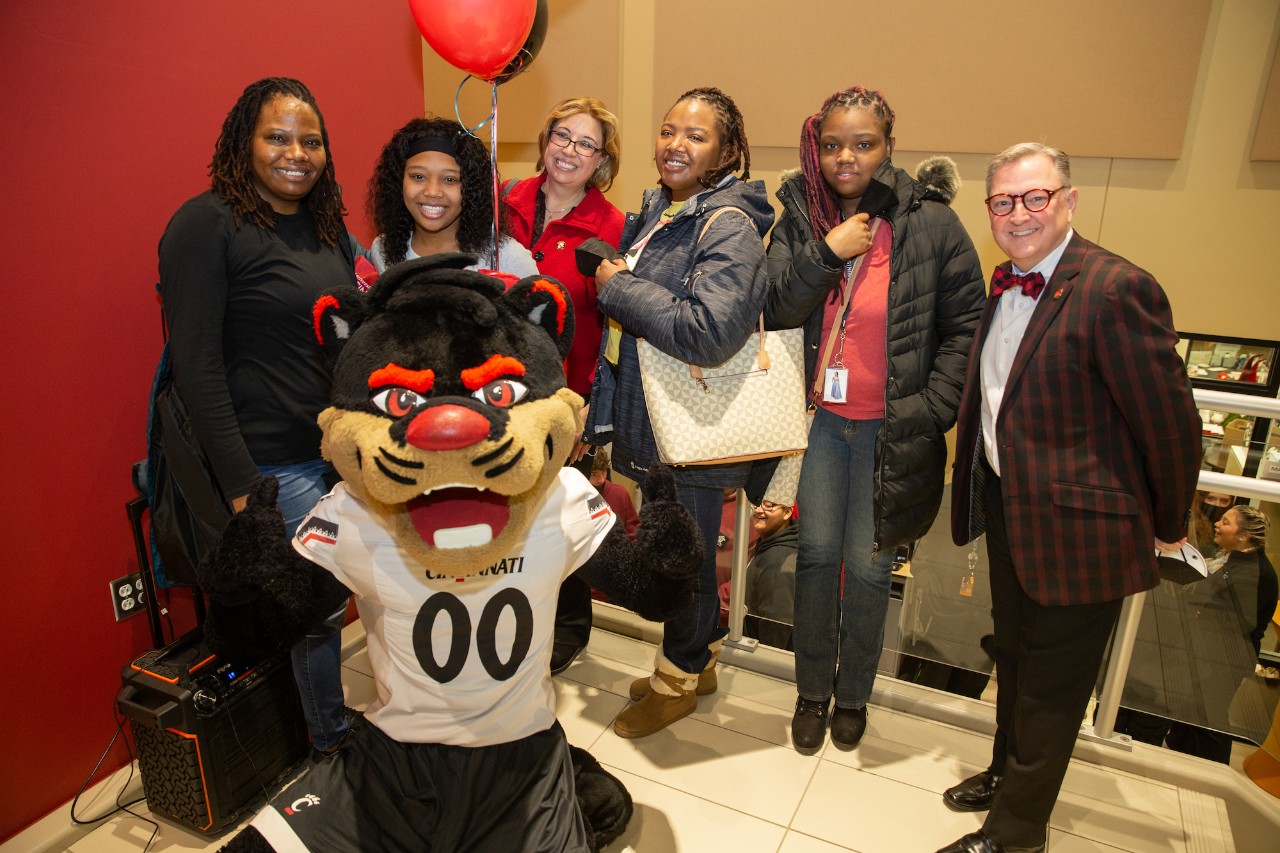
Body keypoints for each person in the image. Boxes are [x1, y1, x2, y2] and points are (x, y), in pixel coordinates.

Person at [941, 143, 1202, 853]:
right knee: (1016, 659)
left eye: (1036, 197)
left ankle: (1017, 833)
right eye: (1004, 201)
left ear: (1070, 200)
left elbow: (1171, 425)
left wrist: (1170, 526)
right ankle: (1005, 774)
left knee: (1053, 687)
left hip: (1084, 531)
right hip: (1010, 511)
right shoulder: (1006, 282)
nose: (1019, 214)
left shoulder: (1117, 289)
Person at [763, 86, 985, 754]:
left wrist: (929, 410)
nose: (845, 157)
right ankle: (811, 690)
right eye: (832, 144)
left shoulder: (932, 224)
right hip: (820, 424)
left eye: (863, 143)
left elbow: (965, 328)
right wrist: (826, 250)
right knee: (815, 557)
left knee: (867, 568)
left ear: (889, 145)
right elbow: (775, 304)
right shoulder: (802, 213)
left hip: (892, 430)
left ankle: (852, 694)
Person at [157, 77, 355, 761]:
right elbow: (197, 365)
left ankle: (343, 726)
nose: (295, 152)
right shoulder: (205, 224)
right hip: (273, 466)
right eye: (277, 136)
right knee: (317, 606)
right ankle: (331, 744)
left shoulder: (327, 226)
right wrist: (243, 486)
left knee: (347, 592)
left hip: (336, 453)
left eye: (310, 139)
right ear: (245, 142)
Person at [585, 86, 774, 738]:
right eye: (669, 131)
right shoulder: (666, 213)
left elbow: (708, 331)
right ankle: (701, 658)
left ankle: (675, 684)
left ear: (726, 150)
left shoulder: (731, 226)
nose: (676, 144)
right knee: (678, 548)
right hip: (660, 424)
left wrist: (617, 286)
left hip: (693, 429)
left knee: (683, 559)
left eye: (695, 135)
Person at [503, 98, 626, 673]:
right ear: (546, 138)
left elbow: (611, 325)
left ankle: (569, 627)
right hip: (497, 389)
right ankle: (509, 622)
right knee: (506, 513)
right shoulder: (504, 201)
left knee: (557, 517)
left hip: (564, 398)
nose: (570, 150)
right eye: (562, 135)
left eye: (586, 144)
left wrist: (584, 408)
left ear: (602, 160)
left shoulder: (612, 225)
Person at [366, 116, 538, 277]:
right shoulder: (384, 251)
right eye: (418, 177)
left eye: (450, 179)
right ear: (398, 181)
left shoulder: (507, 259)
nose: (432, 192)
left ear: (472, 188)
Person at [743, 500, 799, 651]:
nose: (759, 510)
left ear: (787, 512)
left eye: (769, 505)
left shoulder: (778, 562)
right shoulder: (767, 543)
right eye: (757, 502)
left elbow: (776, 628)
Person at [590, 448, 639, 539]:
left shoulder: (620, 494)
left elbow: (633, 533)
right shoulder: (575, 498)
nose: (601, 479)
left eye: (604, 471)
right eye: (594, 474)